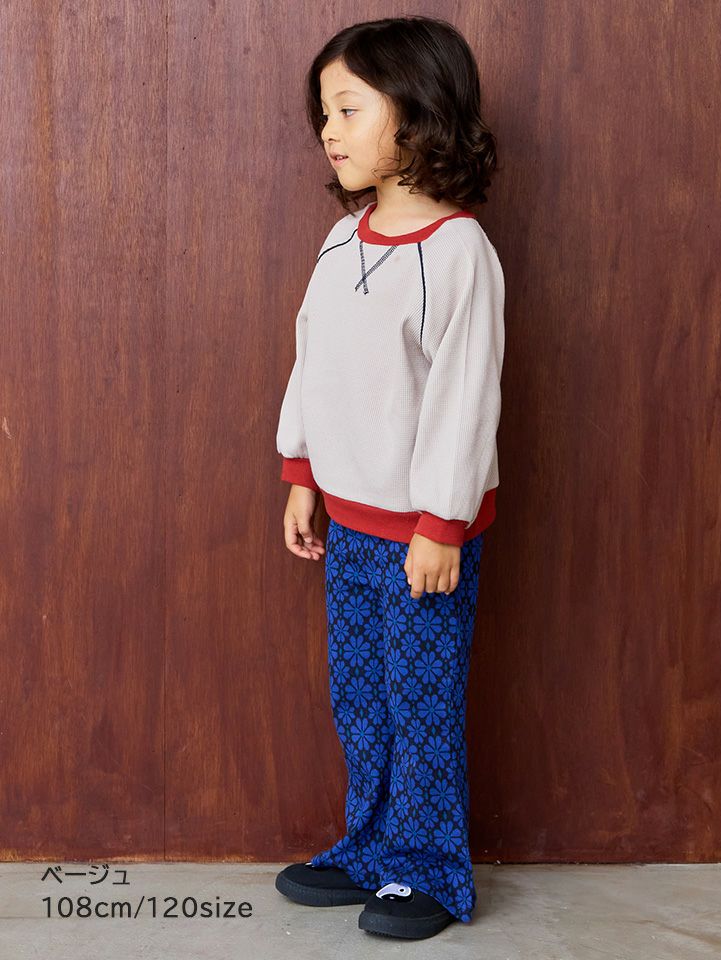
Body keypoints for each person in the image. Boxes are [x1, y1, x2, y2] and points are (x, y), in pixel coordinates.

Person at [273, 15, 505, 941]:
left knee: (420, 703)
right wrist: (303, 472)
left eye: (347, 109)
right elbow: (314, 360)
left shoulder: (458, 254)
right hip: (351, 523)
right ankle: (373, 847)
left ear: (417, 111)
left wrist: (442, 523)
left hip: (420, 537)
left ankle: (429, 871)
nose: (327, 131)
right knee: (361, 698)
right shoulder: (342, 242)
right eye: (323, 113)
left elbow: (464, 397)